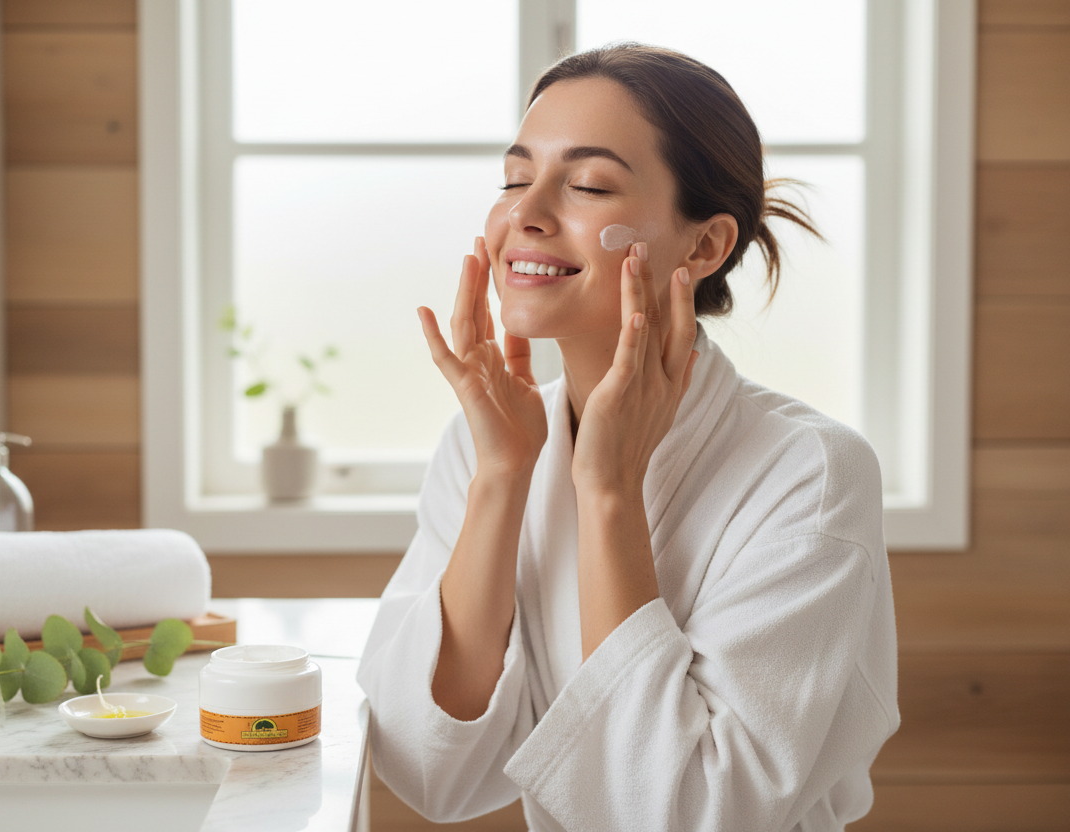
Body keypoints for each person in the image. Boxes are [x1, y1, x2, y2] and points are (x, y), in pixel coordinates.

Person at [357, 43, 899, 832]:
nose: (526, 214)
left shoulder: (809, 473)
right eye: (514, 177)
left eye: (587, 185)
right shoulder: (489, 444)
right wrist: (503, 478)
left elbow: (684, 816)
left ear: (706, 245)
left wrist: (608, 492)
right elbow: (426, 768)